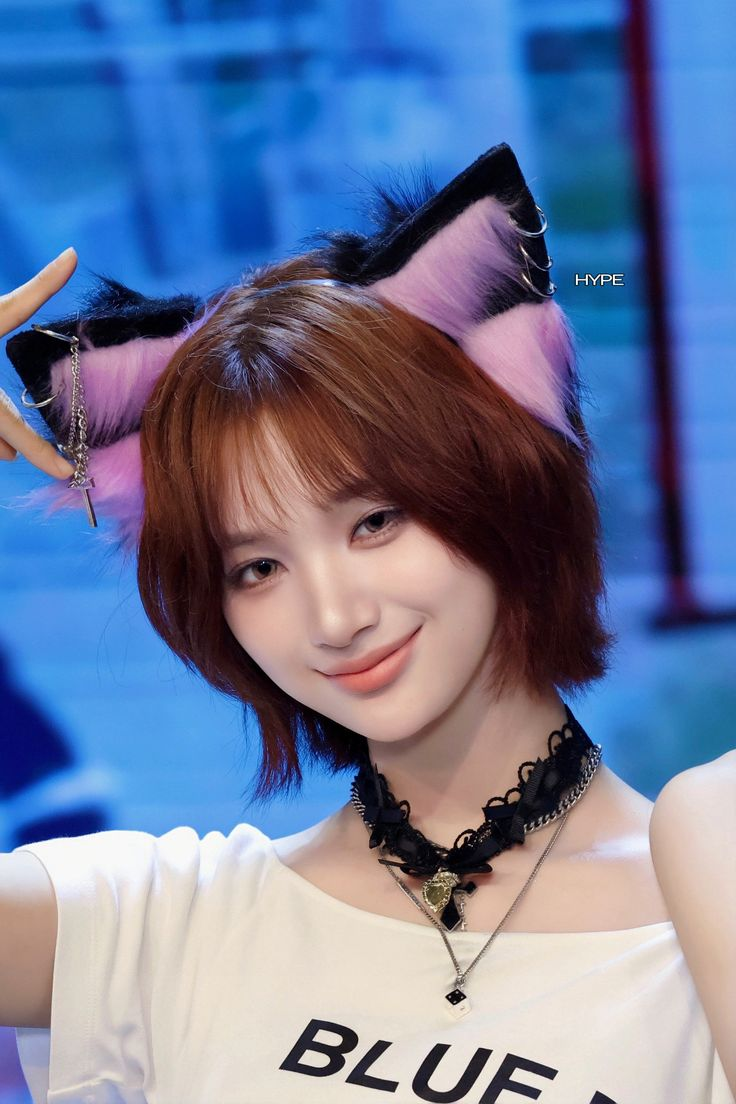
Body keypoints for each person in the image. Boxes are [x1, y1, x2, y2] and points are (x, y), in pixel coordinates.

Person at [0, 144, 733, 1104]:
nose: (336, 617)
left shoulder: (710, 880)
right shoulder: (167, 923)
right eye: (257, 568)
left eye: (376, 522)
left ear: (501, 479)